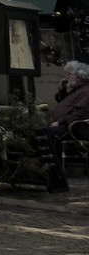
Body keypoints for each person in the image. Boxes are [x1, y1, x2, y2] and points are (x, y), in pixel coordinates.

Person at [41, 60, 89, 192]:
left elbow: (78, 113)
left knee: (48, 134)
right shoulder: (76, 90)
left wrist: (60, 122)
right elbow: (62, 103)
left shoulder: (86, 91)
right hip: (66, 125)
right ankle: (45, 169)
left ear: (80, 76)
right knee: (41, 132)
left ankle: (54, 172)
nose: (67, 77)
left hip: (74, 128)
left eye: (69, 74)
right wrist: (62, 89)